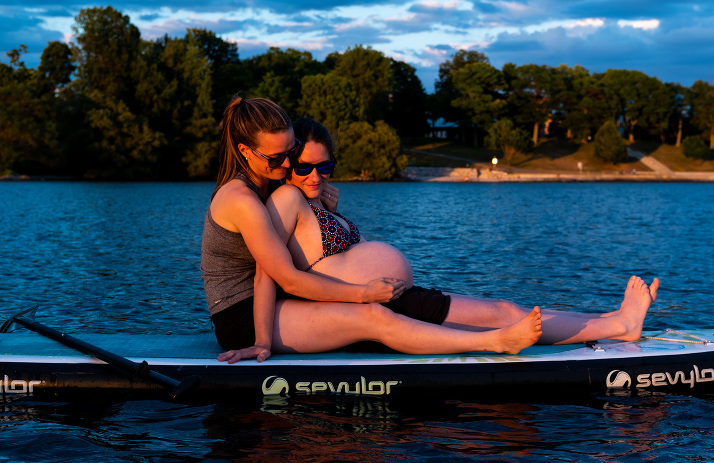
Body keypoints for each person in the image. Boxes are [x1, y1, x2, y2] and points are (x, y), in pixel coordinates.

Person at [202, 96, 543, 364]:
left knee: (387, 311)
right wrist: (262, 341)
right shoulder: (242, 199)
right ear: (245, 150)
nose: (288, 165)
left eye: (290, 153)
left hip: (276, 302)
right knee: (371, 316)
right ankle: (494, 342)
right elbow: (279, 276)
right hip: (242, 316)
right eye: (277, 159)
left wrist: (319, 206)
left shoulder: (268, 185)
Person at [265, 117, 660, 346]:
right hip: (374, 304)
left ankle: (610, 318)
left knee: (506, 308)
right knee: (503, 314)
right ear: (287, 164)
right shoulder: (286, 199)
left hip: (389, 297)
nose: (315, 175)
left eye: (325, 166)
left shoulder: (317, 200)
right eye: (304, 167)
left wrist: (332, 210)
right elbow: (275, 272)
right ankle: (620, 326)